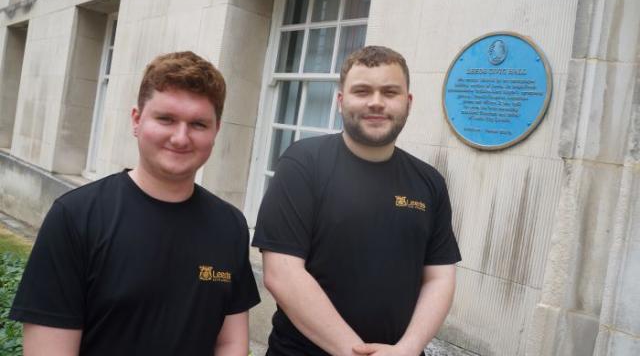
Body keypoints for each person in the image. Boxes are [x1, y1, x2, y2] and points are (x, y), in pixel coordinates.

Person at [10, 51, 260, 355]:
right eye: (166, 119)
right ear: (137, 120)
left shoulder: (230, 225)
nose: (181, 138)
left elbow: (230, 342)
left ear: (216, 131)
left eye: (198, 124)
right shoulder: (75, 217)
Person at [252, 46, 461, 356]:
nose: (376, 102)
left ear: (408, 102)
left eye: (390, 92)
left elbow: (440, 277)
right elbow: (282, 273)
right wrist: (355, 352)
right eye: (362, 91)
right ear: (340, 101)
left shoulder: (429, 182)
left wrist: (409, 348)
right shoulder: (303, 164)